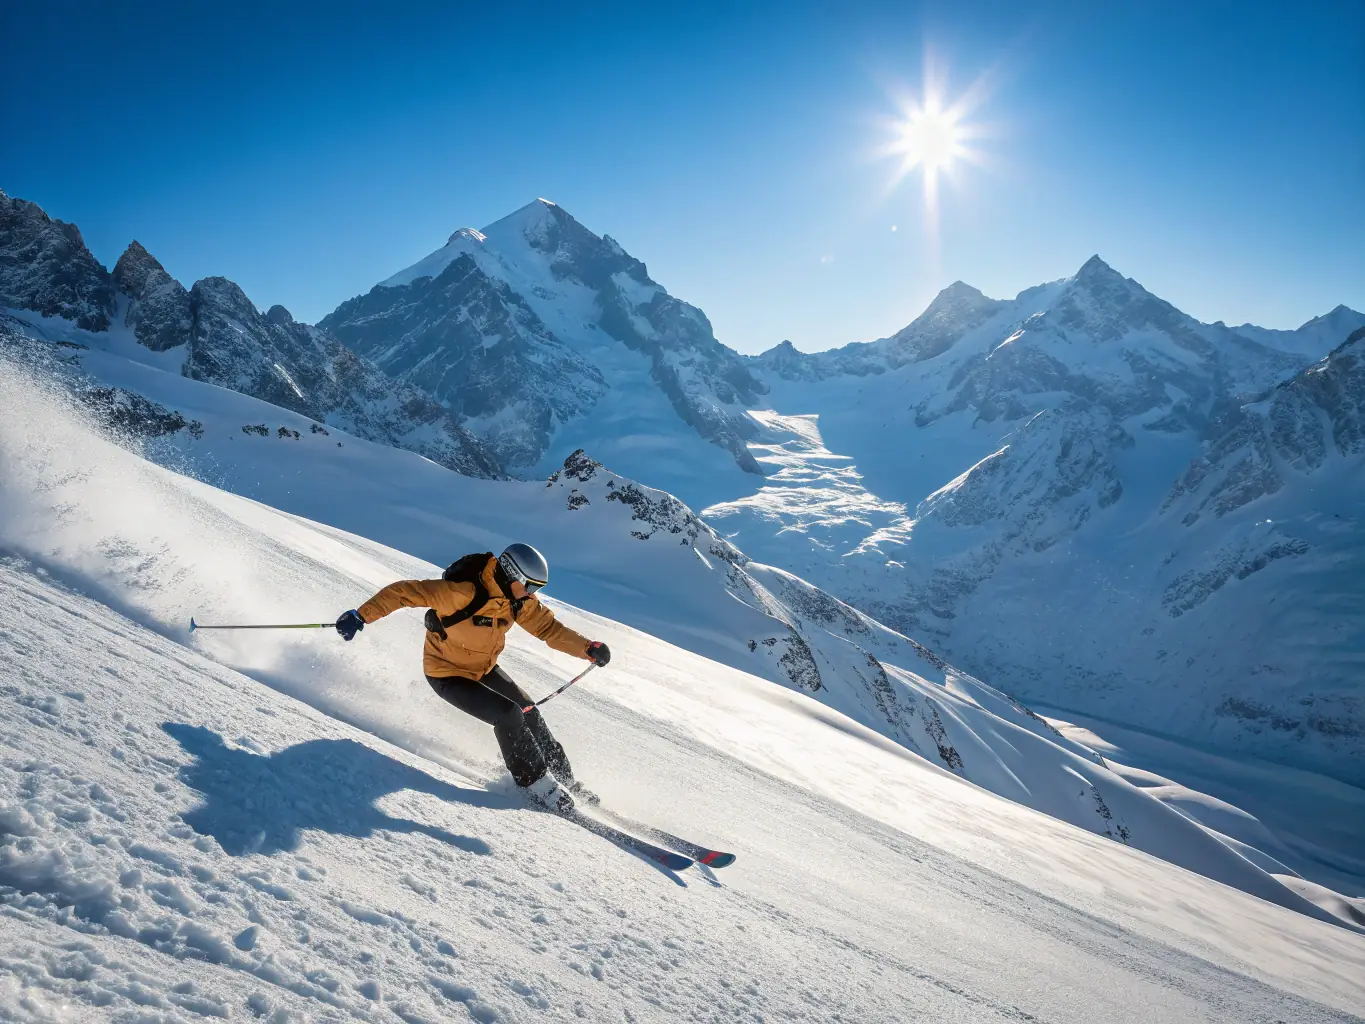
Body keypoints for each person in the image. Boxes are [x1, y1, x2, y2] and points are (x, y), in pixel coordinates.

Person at [334, 543, 610, 812]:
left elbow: (549, 628)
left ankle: (565, 779)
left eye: (536, 589)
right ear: (513, 575)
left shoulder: (517, 602)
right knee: (508, 714)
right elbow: (405, 592)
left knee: (529, 712)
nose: (532, 594)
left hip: (483, 669)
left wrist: (587, 648)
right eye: (531, 586)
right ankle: (535, 784)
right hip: (447, 673)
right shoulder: (464, 593)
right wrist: (361, 615)